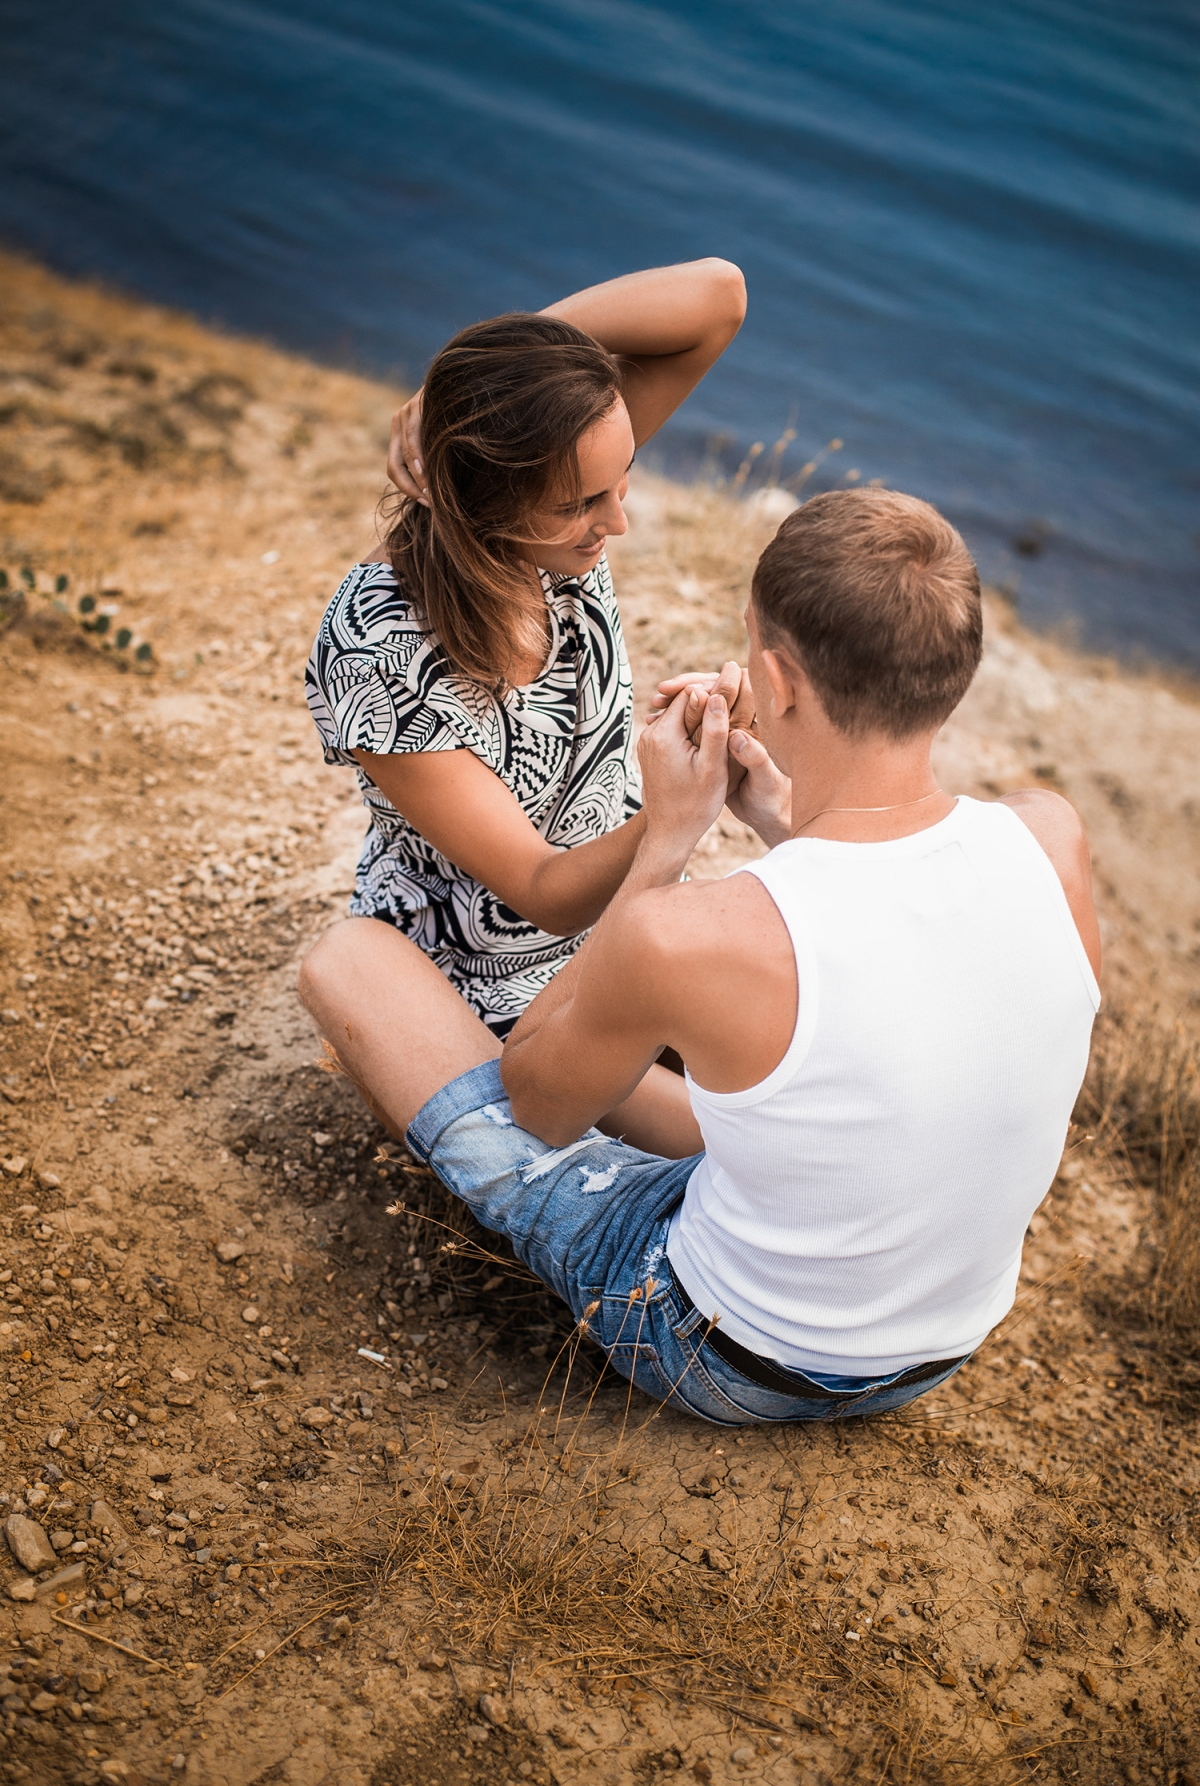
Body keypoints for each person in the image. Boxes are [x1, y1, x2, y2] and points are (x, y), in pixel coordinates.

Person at [299, 488, 1101, 1427]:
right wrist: (782, 822)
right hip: (938, 1348)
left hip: (727, 1356)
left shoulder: (693, 936)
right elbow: (924, 979)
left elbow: (540, 1108)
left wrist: (665, 842)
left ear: (777, 676)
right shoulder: (1051, 837)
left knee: (352, 961)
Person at [304, 261, 748, 1150]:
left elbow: (717, 298)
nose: (615, 521)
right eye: (584, 503)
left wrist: (454, 389)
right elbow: (541, 893)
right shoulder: (378, 651)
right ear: (483, 499)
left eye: (620, 483)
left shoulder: (557, 522)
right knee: (733, 1139)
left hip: (633, 918)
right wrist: (685, 802)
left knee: (798, 1059)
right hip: (490, 984)